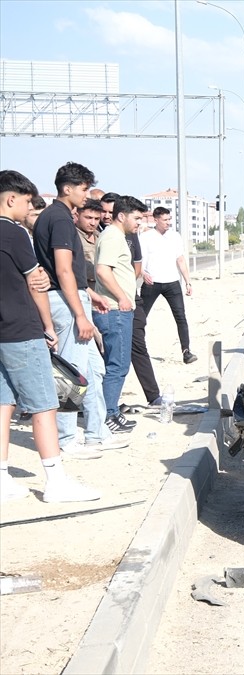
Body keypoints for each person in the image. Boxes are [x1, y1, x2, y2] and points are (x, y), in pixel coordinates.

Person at [1, 169, 102, 502]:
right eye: (28, 202)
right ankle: (56, 481)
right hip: (21, 329)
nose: (30, 209)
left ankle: (1, 479)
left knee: (3, 404)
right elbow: (36, 281)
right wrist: (47, 325)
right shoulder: (14, 234)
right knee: (44, 405)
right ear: (11, 199)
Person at [33, 162, 125, 458]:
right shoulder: (58, 218)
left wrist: (90, 295)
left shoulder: (59, 216)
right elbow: (62, 269)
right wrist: (81, 314)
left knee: (93, 372)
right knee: (71, 374)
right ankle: (66, 438)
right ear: (67, 188)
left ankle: (98, 432)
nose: (86, 195)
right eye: (84, 189)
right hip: (65, 302)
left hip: (73, 297)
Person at [93, 196, 147, 433]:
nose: (139, 223)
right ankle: (107, 415)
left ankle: (111, 411)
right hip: (115, 310)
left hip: (117, 309)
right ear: (122, 216)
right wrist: (123, 297)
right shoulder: (113, 237)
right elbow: (103, 270)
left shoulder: (116, 236)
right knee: (118, 365)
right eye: (136, 218)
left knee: (116, 364)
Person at [139, 207, 197, 364]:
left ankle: (186, 351)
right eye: (165, 220)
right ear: (156, 220)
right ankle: (137, 350)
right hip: (152, 283)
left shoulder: (175, 236)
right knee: (141, 318)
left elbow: (180, 260)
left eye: (169, 219)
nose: (168, 223)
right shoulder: (146, 237)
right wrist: (144, 274)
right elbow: (139, 260)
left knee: (180, 316)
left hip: (172, 282)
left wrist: (188, 282)